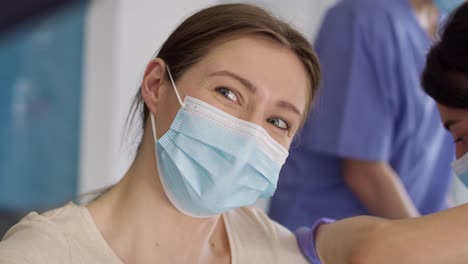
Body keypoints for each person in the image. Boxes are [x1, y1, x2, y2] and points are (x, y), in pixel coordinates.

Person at [0, 4, 321, 263]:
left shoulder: (280, 252)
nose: (251, 132)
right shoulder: (40, 255)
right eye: (228, 93)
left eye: (278, 122)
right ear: (156, 85)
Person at [297, 2, 468, 263]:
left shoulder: (448, 36)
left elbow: (431, 176)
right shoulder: (363, 20)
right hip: (326, 240)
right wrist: (431, 243)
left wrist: (437, 238)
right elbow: (364, 173)